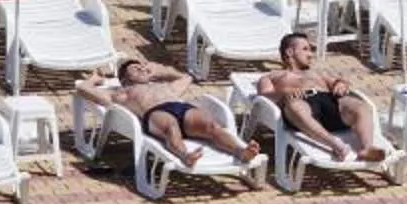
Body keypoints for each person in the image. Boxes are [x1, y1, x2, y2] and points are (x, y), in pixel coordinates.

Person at [77, 55, 261, 168]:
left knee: (212, 126)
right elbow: (83, 89)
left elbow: (186, 77)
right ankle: (185, 156)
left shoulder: (164, 86)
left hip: (180, 107)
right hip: (155, 113)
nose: (141, 69)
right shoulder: (122, 93)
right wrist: (94, 79)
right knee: (171, 127)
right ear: (124, 78)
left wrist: (160, 70)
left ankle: (240, 151)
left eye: (141, 66)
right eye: (135, 68)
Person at [257, 31, 389, 163]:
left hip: (328, 101)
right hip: (301, 105)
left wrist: (341, 84)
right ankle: (337, 146)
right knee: (294, 105)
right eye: (305, 49)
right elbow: (264, 96)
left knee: (360, 105)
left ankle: (367, 148)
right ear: (290, 52)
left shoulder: (315, 74)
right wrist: (285, 95)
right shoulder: (272, 77)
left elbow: (336, 82)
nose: (310, 54)